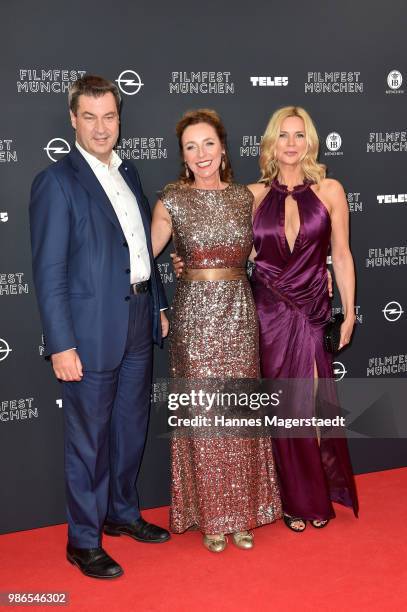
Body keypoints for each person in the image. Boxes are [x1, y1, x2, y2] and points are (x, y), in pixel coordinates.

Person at [29, 75, 170, 580]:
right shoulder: (57, 181)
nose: (100, 127)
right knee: (87, 438)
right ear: (73, 119)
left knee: (131, 428)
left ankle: (123, 513)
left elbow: (137, 251)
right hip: (87, 330)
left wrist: (155, 303)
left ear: (119, 118)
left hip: (136, 316)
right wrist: (61, 343)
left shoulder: (129, 171)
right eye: (89, 117)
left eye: (109, 116)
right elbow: (48, 273)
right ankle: (82, 540)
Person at [151, 109, 281, 552]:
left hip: (239, 314)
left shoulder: (246, 198)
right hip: (194, 318)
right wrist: (160, 299)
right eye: (191, 146)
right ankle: (210, 518)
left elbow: (279, 235)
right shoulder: (171, 198)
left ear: (223, 147)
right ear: (183, 156)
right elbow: (141, 256)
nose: (201, 153)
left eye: (208, 143)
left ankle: (242, 514)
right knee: (205, 415)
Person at [249, 106, 358, 531]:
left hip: (312, 306)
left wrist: (348, 312)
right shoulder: (254, 195)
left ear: (310, 142)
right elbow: (237, 253)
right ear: (271, 143)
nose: (291, 143)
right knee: (281, 407)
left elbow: (343, 255)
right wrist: (188, 264)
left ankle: (312, 494)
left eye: (299, 135)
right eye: (283, 135)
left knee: (310, 405)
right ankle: (292, 499)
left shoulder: (330, 189)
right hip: (268, 310)